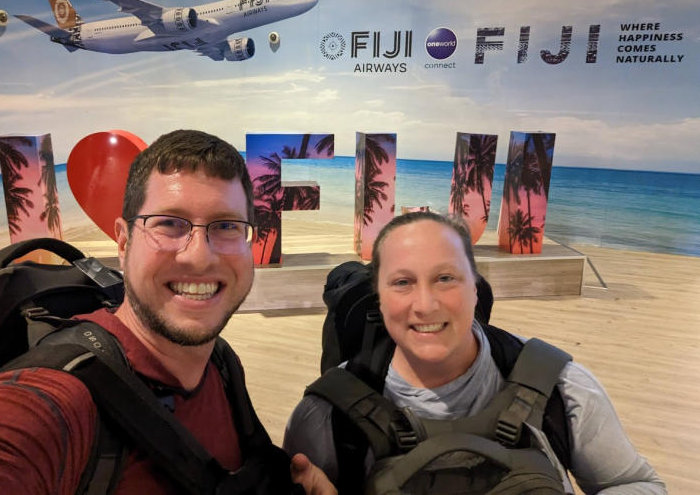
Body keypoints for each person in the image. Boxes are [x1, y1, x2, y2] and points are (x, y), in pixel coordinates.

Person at [0, 130, 336, 495]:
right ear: (123, 243)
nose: (198, 256)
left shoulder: (221, 363)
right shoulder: (55, 405)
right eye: (169, 223)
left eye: (227, 226)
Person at [283, 211, 667, 494]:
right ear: (380, 302)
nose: (425, 304)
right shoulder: (327, 417)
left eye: (445, 278)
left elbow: (633, 483)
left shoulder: (562, 388)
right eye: (402, 282)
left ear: (475, 289)